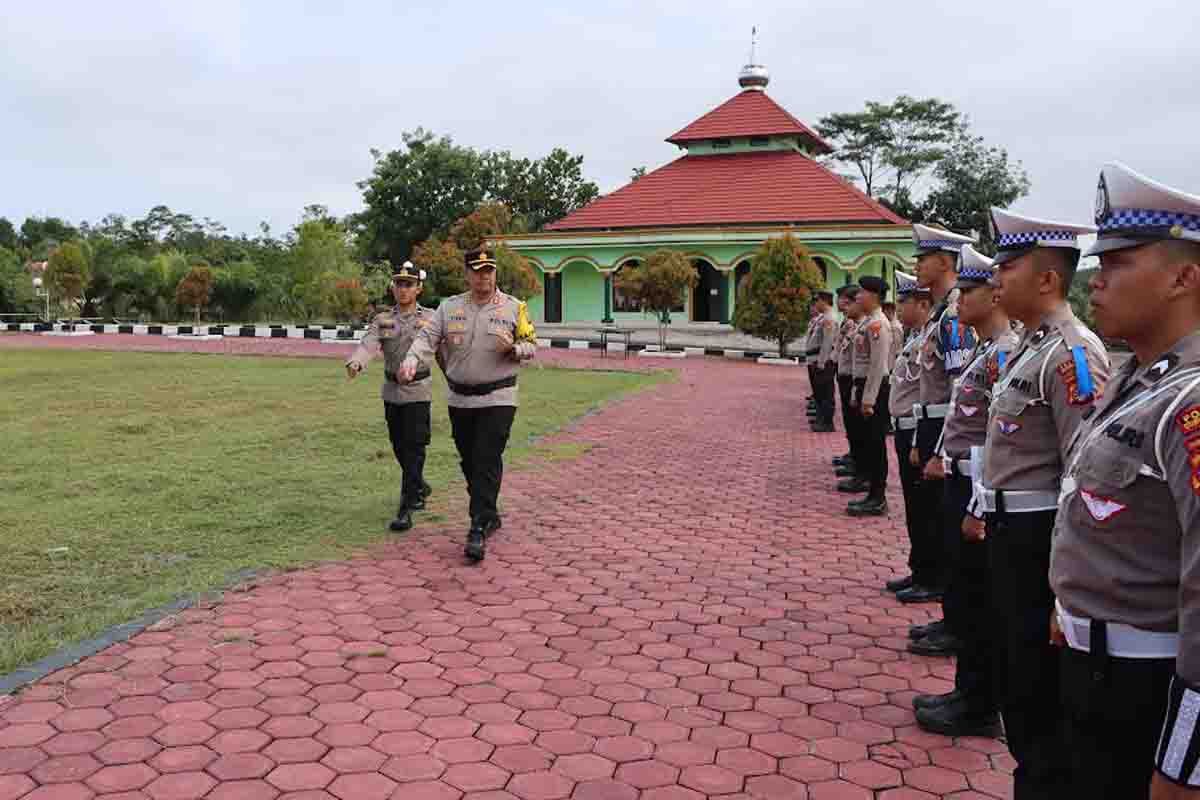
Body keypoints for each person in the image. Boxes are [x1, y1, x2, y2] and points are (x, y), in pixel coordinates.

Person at [1049, 164, 1200, 799]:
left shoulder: (1190, 402)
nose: (1098, 282)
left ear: (1184, 278)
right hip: (1096, 665)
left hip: (1145, 686)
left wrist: (1184, 762)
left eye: (1119, 265)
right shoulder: (1136, 379)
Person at [964, 206, 1108, 798]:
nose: (995, 279)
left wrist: (1065, 581)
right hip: (1008, 532)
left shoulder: (1073, 354)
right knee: (1015, 674)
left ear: (1047, 279)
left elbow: (1082, 472)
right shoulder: (1031, 347)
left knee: (1037, 688)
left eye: (1008, 266)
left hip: (1039, 538)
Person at [912, 245, 1017, 736]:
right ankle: (967, 692)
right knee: (968, 591)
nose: (960, 300)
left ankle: (978, 704)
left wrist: (977, 503)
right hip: (964, 479)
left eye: (970, 291)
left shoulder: (1004, 354)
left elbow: (997, 440)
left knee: (978, 600)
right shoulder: (983, 349)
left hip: (983, 490)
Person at [400, 246, 538, 563]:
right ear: (467, 274)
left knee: (486, 457)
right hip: (460, 399)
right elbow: (426, 340)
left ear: (495, 274)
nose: (483, 277)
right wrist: (410, 360)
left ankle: (477, 526)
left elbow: (531, 344)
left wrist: (515, 350)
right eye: (477, 271)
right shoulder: (449, 308)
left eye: (488, 271)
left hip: (499, 397)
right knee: (469, 461)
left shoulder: (515, 308)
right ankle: (489, 513)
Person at [902, 224, 978, 605]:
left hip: (944, 426)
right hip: (929, 423)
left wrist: (941, 450)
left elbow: (959, 391)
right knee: (929, 510)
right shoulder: (939, 316)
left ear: (946, 262)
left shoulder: (953, 317)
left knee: (940, 516)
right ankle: (928, 575)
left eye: (923, 259)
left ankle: (936, 584)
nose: (916, 266)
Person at [345, 261, 434, 532]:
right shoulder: (384, 320)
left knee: (414, 448)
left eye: (408, 284)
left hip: (419, 392)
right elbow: (369, 344)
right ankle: (419, 485)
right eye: (398, 284)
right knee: (398, 446)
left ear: (418, 288)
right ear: (392, 287)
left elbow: (444, 348)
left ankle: (405, 508)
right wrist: (357, 362)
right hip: (393, 393)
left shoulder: (430, 318)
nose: (403, 289)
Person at [886, 272, 932, 594]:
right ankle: (920, 569)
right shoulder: (916, 337)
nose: (899, 308)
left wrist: (919, 441)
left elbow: (934, 396)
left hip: (918, 431)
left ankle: (930, 576)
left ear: (923, 304)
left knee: (924, 509)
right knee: (914, 508)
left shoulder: (933, 337)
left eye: (904, 302)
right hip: (904, 430)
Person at [847, 276, 893, 516]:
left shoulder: (878, 325)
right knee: (868, 443)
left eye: (862, 293)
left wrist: (868, 399)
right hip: (865, 386)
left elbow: (877, 365)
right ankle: (872, 493)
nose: (858, 298)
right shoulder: (869, 323)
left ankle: (878, 497)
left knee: (875, 445)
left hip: (875, 389)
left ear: (874, 296)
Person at [834, 286, 865, 485]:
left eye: (847, 301)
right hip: (847, 378)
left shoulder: (867, 326)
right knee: (852, 425)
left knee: (860, 429)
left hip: (857, 382)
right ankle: (855, 458)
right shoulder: (852, 324)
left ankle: (861, 469)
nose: (843, 305)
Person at [806, 290, 838, 432]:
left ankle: (826, 422)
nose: (816, 304)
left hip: (822, 361)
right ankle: (821, 418)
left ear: (824, 301)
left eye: (817, 300)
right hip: (815, 359)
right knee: (819, 393)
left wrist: (821, 362)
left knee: (825, 393)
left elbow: (827, 342)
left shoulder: (829, 318)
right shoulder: (823, 317)